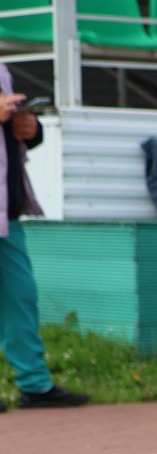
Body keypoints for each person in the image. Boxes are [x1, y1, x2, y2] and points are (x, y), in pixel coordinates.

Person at [0, 63, 89, 409]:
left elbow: (16, 139)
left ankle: (34, 386)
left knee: (21, 297)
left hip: (9, 210)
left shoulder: (3, 68)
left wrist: (30, 129)